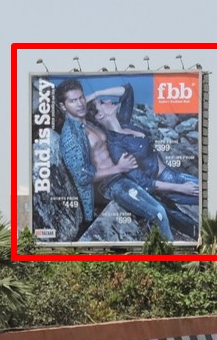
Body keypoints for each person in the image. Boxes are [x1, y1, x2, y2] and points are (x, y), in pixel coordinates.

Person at [53, 79, 175, 241]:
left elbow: (127, 92)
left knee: (169, 207)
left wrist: (96, 94)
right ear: (63, 106)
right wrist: (118, 168)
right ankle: (171, 260)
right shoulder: (70, 136)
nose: (80, 103)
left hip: (124, 175)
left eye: (81, 98)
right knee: (158, 212)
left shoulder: (90, 122)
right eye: (73, 101)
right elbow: (82, 177)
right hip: (110, 185)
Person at [86, 87, 201, 239]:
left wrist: (97, 93)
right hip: (168, 185)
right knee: (204, 198)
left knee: (211, 195)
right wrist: (181, 188)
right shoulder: (116, 147)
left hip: (172, 175)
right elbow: (143, 182)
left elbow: (127, 91)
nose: (108, 100)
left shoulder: (124, 123)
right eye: (102, 102)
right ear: (100, 115)